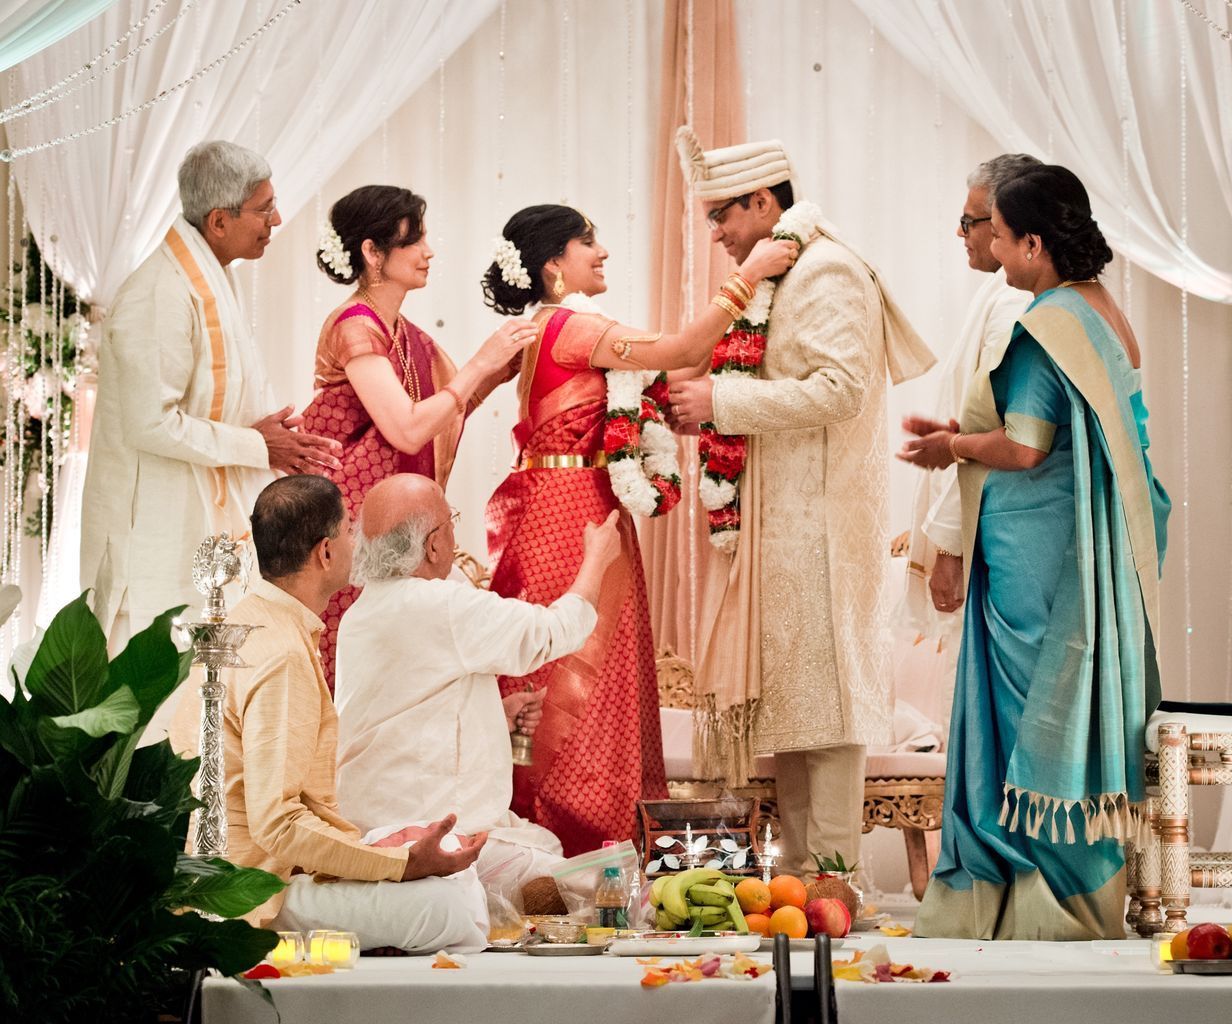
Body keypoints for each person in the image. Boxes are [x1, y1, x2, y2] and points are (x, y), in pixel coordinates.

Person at [899, 165, 1171, 940]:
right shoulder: (1103, 312)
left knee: (1026, 713)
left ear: (1032, 241)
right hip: (1087, 546)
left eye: (994, 233)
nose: (986, 244)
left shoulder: (1044, 320)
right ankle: (1084, 888)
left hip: (1034, 551)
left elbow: (1023, 447)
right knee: (1082, 711)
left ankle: (1034, 896)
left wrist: (949, 445)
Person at [480, 203, 799, 853]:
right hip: (569, 518)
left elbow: (674, 371)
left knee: (597, 677)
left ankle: (585, 844)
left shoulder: (560, 327)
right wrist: (749, 277)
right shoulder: (571, 325)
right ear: (552, 268)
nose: (600, 251)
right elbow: (681, 349)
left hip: (575, 503)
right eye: (585, 241)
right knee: (575, 677)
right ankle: (573, 843)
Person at [668, 127, 935, 878]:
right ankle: (794, 882)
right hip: (782, 522)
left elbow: (840, 388)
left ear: (763, 201)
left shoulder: (825, 272)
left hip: (818, 523)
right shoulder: (781, 272)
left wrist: (719, 398)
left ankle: (835, 881)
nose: (716, 232)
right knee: (793, 704)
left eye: (723, 214)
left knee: (829, 705)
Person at [82, 140, 340, 740]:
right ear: (219, 220)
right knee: (166, 696)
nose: (277, 220)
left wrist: (277, 442)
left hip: (202, 521)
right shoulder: (160, 292)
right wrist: (260, 447)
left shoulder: (206, 275)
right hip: (160, 529)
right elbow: (151, 422)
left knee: (216, 693)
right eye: (265, 208)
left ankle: (218, 822)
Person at [168, 475, 489, 953]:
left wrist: (382, 852)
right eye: (346, 531)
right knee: (453, 910)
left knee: (411, 847)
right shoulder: (280, 655)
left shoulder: (251, 620)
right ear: (324, 553)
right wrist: (400, 865)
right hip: (252, 892)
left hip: (243, 868)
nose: (355, 541)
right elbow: (277, 826)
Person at [334, 474, 622, 898]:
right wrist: (598, 559)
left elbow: (407, 711)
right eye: (450, 519)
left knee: (544, 850)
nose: (455, 529)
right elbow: (550, 632)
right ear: (432, 546)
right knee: (593, 886)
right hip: (431, 837)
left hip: (372, 826)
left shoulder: (361, 614)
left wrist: (494, 716)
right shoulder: (441, 603)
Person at [303, 185, 536, 691]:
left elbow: (442, 413)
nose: (428, 252)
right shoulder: (355, 327)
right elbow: (405, 427)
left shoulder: (404, 332)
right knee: (359, 669)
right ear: (372, 252)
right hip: (352, 524)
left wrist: (498, 370)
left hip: (387, 520)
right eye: (414, 241)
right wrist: (479, 363)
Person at [899, 155, 1038, 663]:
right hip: (990, 523)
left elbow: (1012, 436)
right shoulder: (1002, 289)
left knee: (978, 705)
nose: (961, 233)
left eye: (970, 221)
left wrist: (950, 547)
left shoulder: (1016, 303)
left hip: (997, 532)